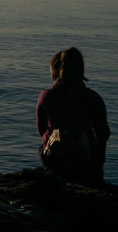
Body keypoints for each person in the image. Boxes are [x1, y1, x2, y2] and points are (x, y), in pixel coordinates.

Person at [36, 47, 109, 185]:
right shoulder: (94, 98)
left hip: (55, 158)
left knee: (42, 149)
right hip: (84, 160)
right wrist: (98, 167)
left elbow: (41, 129)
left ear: (56, 71)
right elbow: (103, 134)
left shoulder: (46, 96)